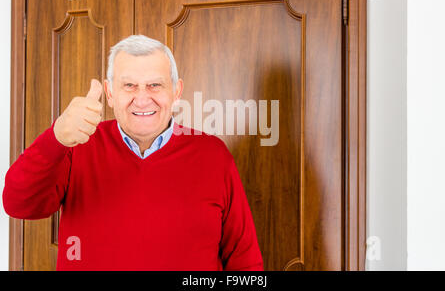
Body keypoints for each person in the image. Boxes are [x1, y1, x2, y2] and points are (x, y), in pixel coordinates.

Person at [3, 35, 263, 271]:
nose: (141, 99)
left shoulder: (213, 155)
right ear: (110, 93)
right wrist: (56, 138)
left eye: (154, 85)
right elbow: (18, 204)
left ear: (176, 92)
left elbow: (245, 259)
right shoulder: (77, 145)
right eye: (129, 85)